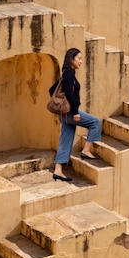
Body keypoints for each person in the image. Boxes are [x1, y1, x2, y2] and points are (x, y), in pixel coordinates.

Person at [51, 47, 102, 182]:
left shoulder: (66, 73)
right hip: (70, 113)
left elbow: (51, 90)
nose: (80, 61)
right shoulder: (69, 73)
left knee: (66, 140)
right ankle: (86, 151)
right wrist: (74, 112)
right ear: (71, 59)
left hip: (64, 114)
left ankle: (58, 170)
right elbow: (69, 94)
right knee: (95, 122)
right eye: (79, 58)